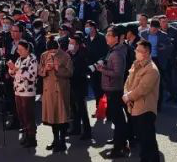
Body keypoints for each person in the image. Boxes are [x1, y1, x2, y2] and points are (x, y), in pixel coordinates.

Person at [123, 40, 160, 162]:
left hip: (145, 110)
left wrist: (128, 97)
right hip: (134, 108)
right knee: (142, 141)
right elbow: (127, 82)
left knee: (148, 141)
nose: (136, 52)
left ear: (146, 53)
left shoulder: (152, 69)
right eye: (136, 50)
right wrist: (126, 95)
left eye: (139, 50)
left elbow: (142, 89)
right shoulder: (135, 64)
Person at [99, 26, 131, 159]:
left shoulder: (117, 53)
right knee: (118, 119)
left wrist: (102, 70)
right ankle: (121, 144)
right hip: (111, 89)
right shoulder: (113, 50)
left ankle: (119, 148)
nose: (106, 37)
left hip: (115, 90)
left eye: (109, 35)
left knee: (118, 120)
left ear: (116, 38)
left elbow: (118, 73)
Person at [8, 39, 39, 148]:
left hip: (28, 91)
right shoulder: (19, 59)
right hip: (18, 90)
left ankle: (32, 137)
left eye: (21, 50)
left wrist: (17, 69)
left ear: (27, 49)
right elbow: (13, 74)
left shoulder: (33, 60)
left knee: (28, 114)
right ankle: (26, 134)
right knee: (21, 114)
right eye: (18, 50)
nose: (19, 52)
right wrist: (11, 70)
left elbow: (32, 76)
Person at [66, 34, 92, 140]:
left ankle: (87, 131)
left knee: (82, 109)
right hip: (70, 86)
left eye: (72, 43)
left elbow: (78, 71)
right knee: (73, 109)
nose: (70, 45)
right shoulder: (68, 54)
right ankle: (76, 128)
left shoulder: (81, 56)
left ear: (77, 45)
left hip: (79, 86)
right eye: (70, 43)